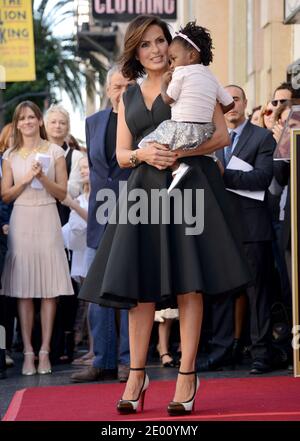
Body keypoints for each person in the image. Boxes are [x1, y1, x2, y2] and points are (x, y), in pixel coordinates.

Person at [79, 15, 250, 416]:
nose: (155, 50)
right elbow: (121, 154)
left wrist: (179, 152)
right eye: (146, 44)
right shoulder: (129, 96)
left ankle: (186, 376)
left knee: (190, 284)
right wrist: (143, 153)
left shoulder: (194, 77)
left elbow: (221, 136)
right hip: (144, 194)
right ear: (135, 51)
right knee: (141, 290)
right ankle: (137, 376)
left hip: (191, 186)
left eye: (160, 41)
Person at [1, 101, 74, 376]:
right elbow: (5, 195)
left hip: (47, 217)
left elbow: (62, 192)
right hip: (21, 219)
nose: (28, 122)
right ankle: (28, 351)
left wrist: (42, 178)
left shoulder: (54, 151)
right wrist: (25, 180)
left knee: (48, 290)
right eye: (23, 118)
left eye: (32, 117)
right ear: (17, 123)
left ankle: (45, 351)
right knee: (23, 290)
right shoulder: (10, 155)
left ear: (39, 121)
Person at [70, 65, 132, 384]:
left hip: (134, 213)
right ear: (108, 90)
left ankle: (126, 362)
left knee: (127, 293)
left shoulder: (140, 121)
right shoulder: (93, 122)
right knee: (96, 295)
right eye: (117, 86)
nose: (121, 91)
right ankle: (101, 360)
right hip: (99, 216)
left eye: (127, 85)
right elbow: (97, 171)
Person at [211, 85, 276, 374]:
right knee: (222, 294)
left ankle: (261, 352)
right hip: (220, 230)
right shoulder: (212, 140)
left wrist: (225, 175)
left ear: (245, 102)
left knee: (257, 294)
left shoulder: (262, 137)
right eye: (225, 101)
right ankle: (223, 351)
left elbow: (262, 178)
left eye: (235, 99)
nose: (231, 105)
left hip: (252, 228)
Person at [138, 21, 233, 191]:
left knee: (146, 143)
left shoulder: (180, 73)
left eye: (173, 58)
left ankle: (176, 168)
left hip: (185, 138)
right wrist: (204, 108)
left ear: (191, 56)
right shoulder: (210, 76)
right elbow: (230, 103)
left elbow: (168, 99)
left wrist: (164, 84)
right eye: (145, 44)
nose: (172, 64)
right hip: (204, 131)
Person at [45, 105, 84, 363]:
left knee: (67, 284)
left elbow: (71, 190)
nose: (58, 126)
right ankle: (43, 342)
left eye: (62, 122)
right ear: (45, 126)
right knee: (42, 284)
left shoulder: (77, 157)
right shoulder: (37, 152)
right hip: (40, 221)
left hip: (67, 222)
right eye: (53, 122)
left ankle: (66, 342)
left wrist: (46, 182)